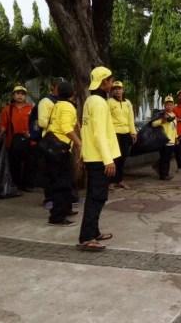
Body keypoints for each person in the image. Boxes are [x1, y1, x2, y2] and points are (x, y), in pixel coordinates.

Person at [78, 66, 121, 251]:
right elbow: (99, 134)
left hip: (93, 156)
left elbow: (85, 130)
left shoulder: (90, 101)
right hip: (99, 158)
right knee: (97, 197)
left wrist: (83, 154)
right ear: (105, 82)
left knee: (95, 197)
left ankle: (93, 232)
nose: (112, 84)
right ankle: (87, 237)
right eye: (110, 80)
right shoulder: (99, 103)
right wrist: (107, 159)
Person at [46, 82, 81, 226]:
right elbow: (66, 128)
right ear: (73, 93)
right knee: (62, 183)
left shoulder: (58, 104)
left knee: (64, 180)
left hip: (53, 146)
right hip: (59, 149)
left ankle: (66, 209)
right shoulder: (68, 106)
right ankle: (57, 217)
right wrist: (79, 142)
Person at [0, 85, 34, 192]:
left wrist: (31, 132)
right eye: (17, 93)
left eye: (22, 94)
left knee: (30, 164)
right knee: (14, 164)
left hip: (28, 140)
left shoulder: (31, 109)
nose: (20, 96)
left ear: (25, 96)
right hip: (13, 141)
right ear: (13, 95)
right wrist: (1, 133)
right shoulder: (7, 109)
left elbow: (35, 124)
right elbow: (3, 125)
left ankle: (27, 185)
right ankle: (16, 185)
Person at [107, 81, 137, 191]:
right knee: (114, 158)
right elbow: (107, 118)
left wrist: (133, 132)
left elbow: (130, 118)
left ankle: (120, 180)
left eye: (119, 88)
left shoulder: (127, 102)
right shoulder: (109, 102)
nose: (117, 90)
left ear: (123, 90)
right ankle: (110, 182)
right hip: (114, 133)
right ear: (113, 91)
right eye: (115, 89)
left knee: (123, 157)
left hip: (126, 133)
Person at [37, 78, 60, 209]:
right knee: (49, 171)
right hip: (50, 140)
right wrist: (57, 123)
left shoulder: (62, 102)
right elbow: (42, 122)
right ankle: (49, 198)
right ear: (53, 87)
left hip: (62, 141)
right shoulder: (46, 102)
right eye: (59, 87)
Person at [153, 96, 177, 180]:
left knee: (168, 158)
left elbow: (174, 128)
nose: (169, 106)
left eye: (171, 104)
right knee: (164, 158)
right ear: (164, 105)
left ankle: (165, 173)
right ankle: (163, 175)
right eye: (167, 105)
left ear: (173, 105)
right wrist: (163, 120)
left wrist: (176, 138)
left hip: (172, 141)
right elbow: (153, 124)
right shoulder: (161, 114)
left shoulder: (173, 115)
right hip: (164, 140)